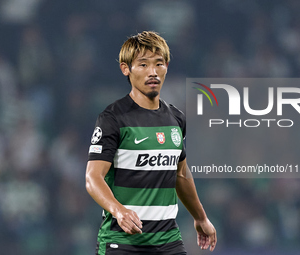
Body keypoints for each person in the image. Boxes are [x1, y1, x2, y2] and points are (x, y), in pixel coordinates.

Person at [86, 31, 217, 255]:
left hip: (168, 241)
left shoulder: (176, 118)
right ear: (125, 69)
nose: (153, 72)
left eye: (159, 64)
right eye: (143, 65)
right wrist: (119, 211)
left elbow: (181, 174)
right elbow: (92, 177)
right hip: (122, 241)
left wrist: (200, 217)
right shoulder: (113, 118)